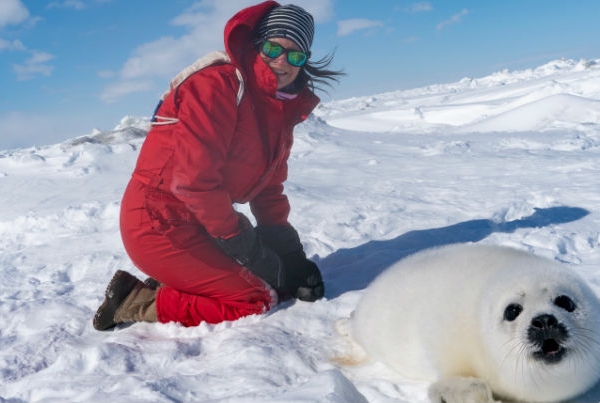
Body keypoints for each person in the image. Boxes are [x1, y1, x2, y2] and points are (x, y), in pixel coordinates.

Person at [93, 1, 343, 330]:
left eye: (295, 55)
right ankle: (134, 302)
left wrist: (288, 251)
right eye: (273, 47)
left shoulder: (276, 108)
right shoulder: (217, 85)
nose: (282, 61)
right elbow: (193, 182)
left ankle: (185, 279)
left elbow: (269, 187)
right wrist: (244, 243)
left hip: (202, 220)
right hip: (157, 223)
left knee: (281, 283)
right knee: (256, 298)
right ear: (258, 44)